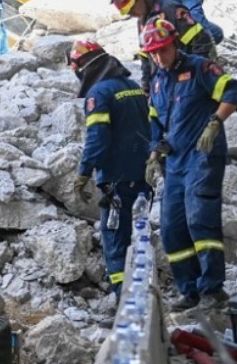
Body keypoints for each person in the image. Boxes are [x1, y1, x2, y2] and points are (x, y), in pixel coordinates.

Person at [145, 17, 237, 311]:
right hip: (174, 163)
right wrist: (154, 152)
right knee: (172, 228)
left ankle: (213, 290)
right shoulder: (158, 81)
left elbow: (235, 92)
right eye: (152, 53)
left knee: (199, 219)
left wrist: (215, 121)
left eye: (162, 50)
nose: (158, 57)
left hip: (202, 157)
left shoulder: (200, 67)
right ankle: (188, 290)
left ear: (174, 43)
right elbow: (154, 120)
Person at [69, 40, 151, 296]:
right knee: (137, 239)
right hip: (141, 177)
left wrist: (83, 174)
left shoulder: (99, 94)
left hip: (115, 177)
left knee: (115, 239)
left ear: (82, 68)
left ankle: (122, 300)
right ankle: (141, 292)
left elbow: (97, 139)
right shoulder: (132, 87)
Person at [108, 0, 216, 97]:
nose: (131, 14)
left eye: (132, 8)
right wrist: (147, 85)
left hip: (186, 82)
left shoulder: (171, 11)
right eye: (127, 12)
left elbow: (202, 42)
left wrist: (198, 76)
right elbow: (146, 56)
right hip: (165, 86)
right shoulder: (142, 21)